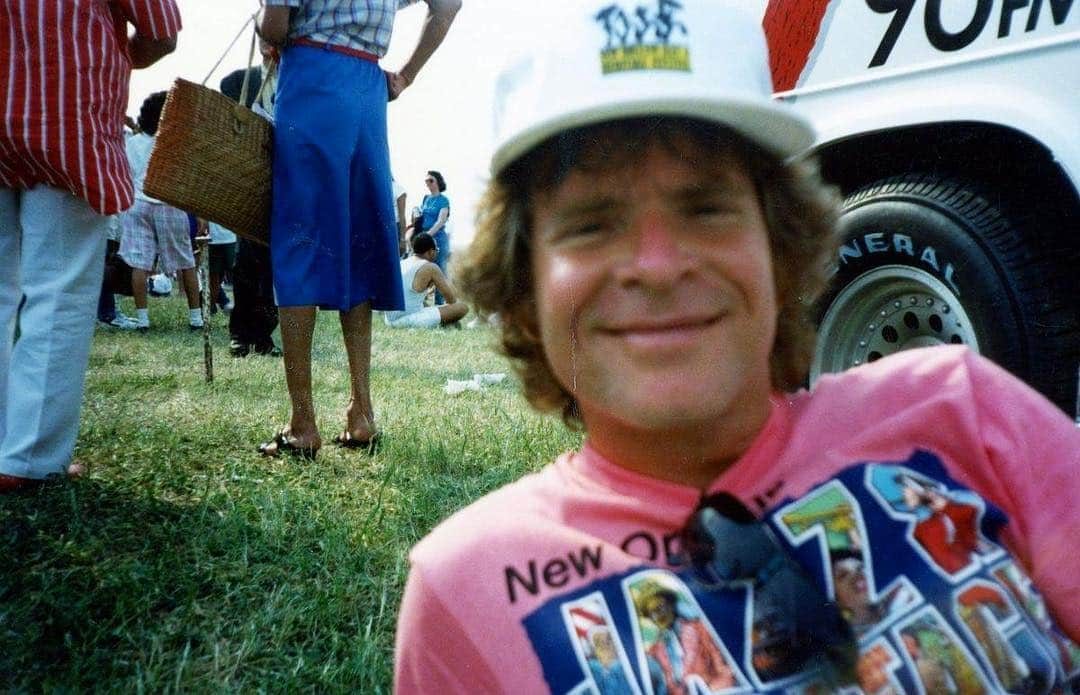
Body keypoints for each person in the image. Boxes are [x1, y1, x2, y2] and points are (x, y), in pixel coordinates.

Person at [393, 1, 1080, 691]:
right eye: (591, 224)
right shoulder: (468, 590)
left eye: (705, 208)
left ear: (780, 248)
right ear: (524, 288)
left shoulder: (960, 406)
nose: (658, 266)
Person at [257, 0, 461, 459]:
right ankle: (361, 412)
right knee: (360, 242)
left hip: (311, 74)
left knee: (299, 239)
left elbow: (275, 24)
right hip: (367, 86)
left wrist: (263, 25)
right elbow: (448, 4)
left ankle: (302, 423)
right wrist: (406, 73)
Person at [0, 0, 180, 492]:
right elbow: (161, 31)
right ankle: (28, 458)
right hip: (64, 113)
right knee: (58, 290)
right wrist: (113, 54)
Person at [118, 91, 204, 332]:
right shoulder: (172, 145)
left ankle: (143, 320)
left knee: (140, 263)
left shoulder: (132, 143)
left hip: (137, 204)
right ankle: (196, 317)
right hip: (167, 204)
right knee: (186, 261)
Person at [220, 52, 282, 358]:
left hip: (283, 185)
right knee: (246, 261)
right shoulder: (242, 79)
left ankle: (264, 337)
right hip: (251, 182)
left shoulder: (296, 82)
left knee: (273, 267)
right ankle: (240, 334)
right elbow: (225, 87)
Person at [383, 232, 468, 329]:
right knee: (462, 307)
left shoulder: (401, 263)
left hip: (389, 321)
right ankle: (445, 324)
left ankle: (444, 324)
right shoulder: (430, 267)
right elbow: (451, 300)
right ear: (431, 251)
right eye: (437, 250)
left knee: (429, 307)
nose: (437, 253)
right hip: (407, 320)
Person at [418, 170, 450, 303]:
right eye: (426, 181)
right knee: (421, 269)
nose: (428, 183)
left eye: (431, 180)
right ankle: (420, 303)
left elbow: (441, 220)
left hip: (438, 238)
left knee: (440, 271)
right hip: (424, 237)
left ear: (438, 182)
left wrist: (428, 235)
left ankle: (440, 304)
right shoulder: (426, 199)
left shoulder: (443, 200)